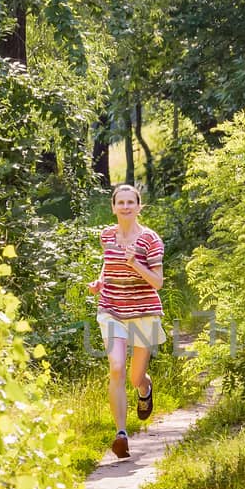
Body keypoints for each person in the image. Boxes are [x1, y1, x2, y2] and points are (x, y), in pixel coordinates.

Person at [87, 182, 165, 458]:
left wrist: (136, 264)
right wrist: (100, 281)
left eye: (130, 202)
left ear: (139, 206)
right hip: (111, 308)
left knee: (134, 378)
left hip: (144, 311)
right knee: (117, 367)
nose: (125, 207)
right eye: (120, 202)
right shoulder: (107, 236)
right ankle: (121, 434)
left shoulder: (150, 240)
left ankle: (145, 388)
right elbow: (107, 264)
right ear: (113, 207)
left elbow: (157, 282)